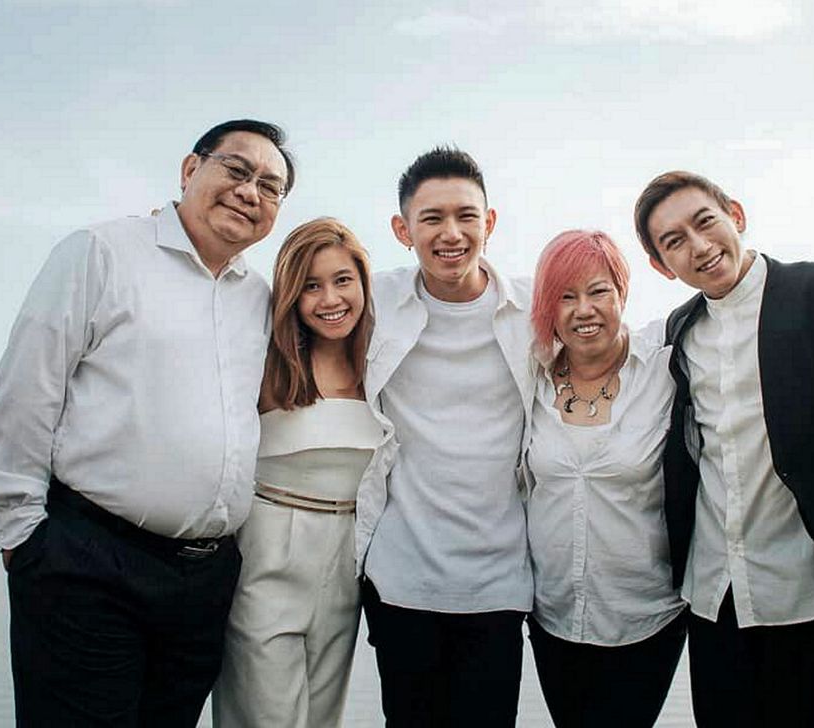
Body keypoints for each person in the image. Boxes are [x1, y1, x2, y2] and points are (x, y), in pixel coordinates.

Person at [0, 119, 294, 727]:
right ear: (189, 169)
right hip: (89, 565)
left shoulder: (259, 299)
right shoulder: (101, 252)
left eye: (271, 186)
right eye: (236, 169)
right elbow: (27, 388)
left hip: (204, 583)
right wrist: (23, 535)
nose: (251, 192)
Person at [634, 170, 814, 727]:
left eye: (703, 222)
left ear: (735, 214)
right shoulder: (677, 332)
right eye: (675, 241)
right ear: (663, 266)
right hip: (714, 598)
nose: (699, 246)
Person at [356, 147, 535, 727]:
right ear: (402, 229)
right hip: (400, 575)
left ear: (490, 222)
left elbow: (615, 338)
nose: (450, 233)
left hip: (499, 581)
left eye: (466, 215)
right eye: (431, 218)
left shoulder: (532, 308)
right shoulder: (373, 300)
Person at [212, 218, 390, 727]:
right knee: (263, 715)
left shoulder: (383, 364)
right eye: (311, 285)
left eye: (342, 280)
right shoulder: (265, 364)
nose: (329, 298)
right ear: (291, 293)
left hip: (348, 555)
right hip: (269, 548)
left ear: (363, 283)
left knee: (322, 716)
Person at [524, 230, 687, 727]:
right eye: (565, 297)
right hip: (551, 615)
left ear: (622, 293)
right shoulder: (527, 378)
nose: (583, 310)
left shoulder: (664, 367)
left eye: (598, 292)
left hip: (647, 615)